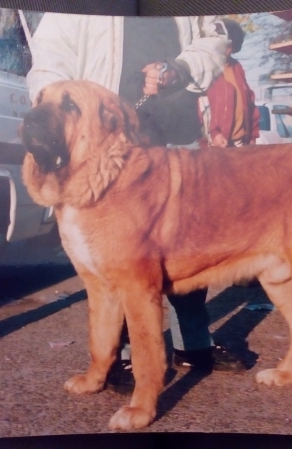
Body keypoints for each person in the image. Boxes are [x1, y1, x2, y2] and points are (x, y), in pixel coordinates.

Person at [26, 14, 246, 391]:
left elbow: (216, 38)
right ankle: (122, 356)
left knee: (186, 247)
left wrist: (179, 68)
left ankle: (192, 343)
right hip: (108, 141)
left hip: (178, 132)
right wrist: (59, 117)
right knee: (119, 259)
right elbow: (49, 59)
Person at [203, 19, 260, 148]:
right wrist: (214, 133)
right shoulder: (203, 68)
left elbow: (250, 103)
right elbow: (197, 108)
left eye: (229, 45)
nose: (225, 48)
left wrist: (252, 137)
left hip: (241, 144)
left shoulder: (237, 68)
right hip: (214, 146)